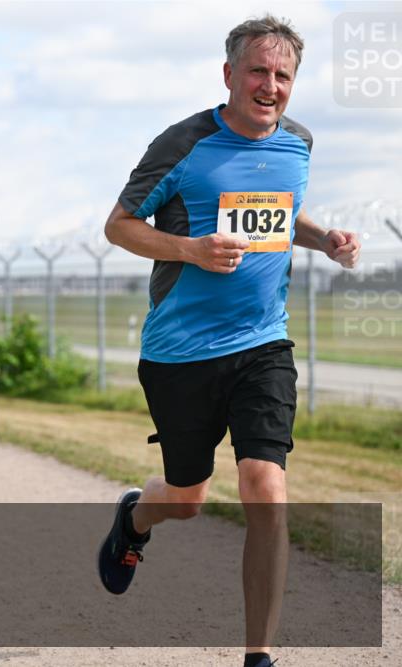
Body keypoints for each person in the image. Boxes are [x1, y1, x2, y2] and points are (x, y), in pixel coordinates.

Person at [99, 16, 361, 667]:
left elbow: (280, 211)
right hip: (180, 352)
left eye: (282, 76)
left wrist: (324, 238)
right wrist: (188, 247)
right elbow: (119, 225)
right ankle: (135, 518)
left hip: (263, 343)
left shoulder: (298, 143)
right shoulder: (182, 144)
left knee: (265, 487)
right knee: (185, 501)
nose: (269, 86)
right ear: (229, 75)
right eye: (258, 72)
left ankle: (259, 655)